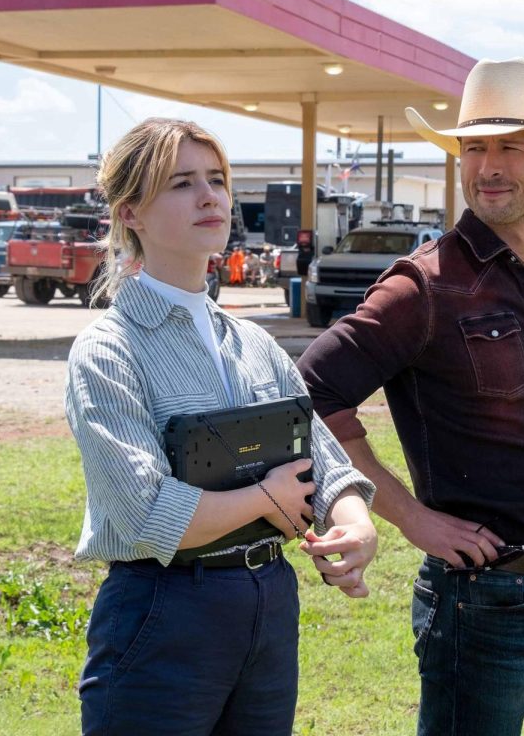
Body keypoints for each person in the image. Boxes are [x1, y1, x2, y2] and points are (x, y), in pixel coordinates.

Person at [298, 58, 524, 736]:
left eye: (509, 147)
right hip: (481, 605)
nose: (488, 166)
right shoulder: (423, 287)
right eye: (475, 148)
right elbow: (310, 396)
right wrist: (411, 518)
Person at [66, 118, 377, 736]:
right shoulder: (109, 350)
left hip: (267, 603)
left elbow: (328, 467)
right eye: (182, 183)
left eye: (216, 180)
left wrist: (355, 525)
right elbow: (146, 514)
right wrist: (265, 499)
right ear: (131, 213)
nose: (210, 196)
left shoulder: (256, 343)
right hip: (161, 610)